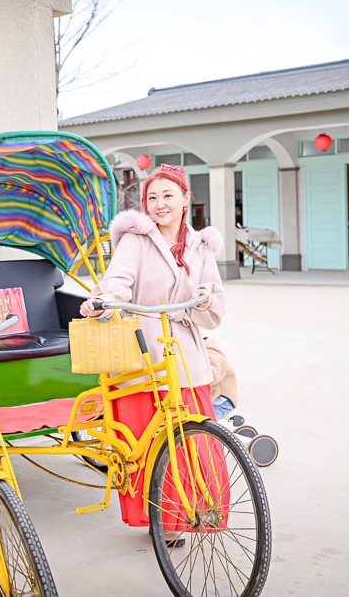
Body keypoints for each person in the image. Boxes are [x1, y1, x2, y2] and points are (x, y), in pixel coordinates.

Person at [79, 163, 226, 529]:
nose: (160, 204)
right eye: (152, 197)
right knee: (147, 444)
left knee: (195, 440)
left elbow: (214, 303)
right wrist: (107, 297)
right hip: (142, 352)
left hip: (185, 353)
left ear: (185, 199)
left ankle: (198, 511)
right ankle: (159, 520)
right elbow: (118, 279)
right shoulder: (136, 239)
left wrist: (205, 299)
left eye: (168, 196)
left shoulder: (202, 245)